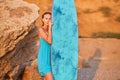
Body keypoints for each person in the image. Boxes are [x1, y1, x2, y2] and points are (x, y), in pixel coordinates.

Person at [37, 12, 54, 80]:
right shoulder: (41, 30)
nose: (48, 20)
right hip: (43, 59)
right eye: (46, 18)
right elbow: (49, 41)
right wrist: (50, 27)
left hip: (50, 60)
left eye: (50, 19)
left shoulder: (52, 30)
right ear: (42, 20)